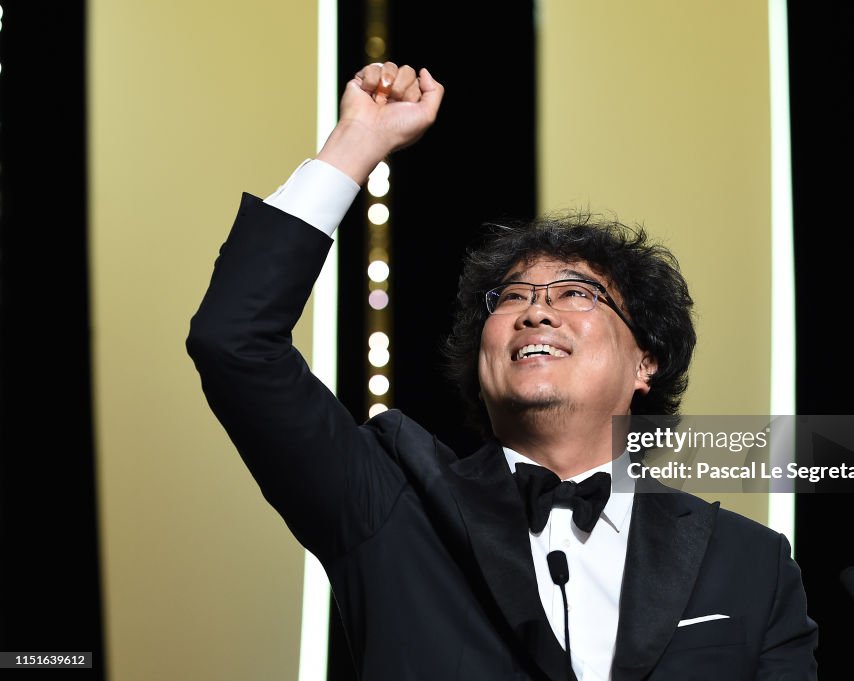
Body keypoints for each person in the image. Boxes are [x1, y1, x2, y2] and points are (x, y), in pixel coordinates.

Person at [187, 61, 818, 681]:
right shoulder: (391, 502)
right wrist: (359, 142)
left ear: (645, 361)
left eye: (576, 294)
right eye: (512, 298)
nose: (536, 312)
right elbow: (234, 341)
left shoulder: (748, 562)